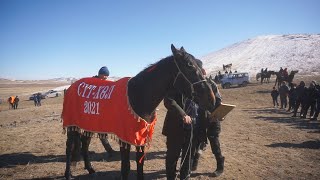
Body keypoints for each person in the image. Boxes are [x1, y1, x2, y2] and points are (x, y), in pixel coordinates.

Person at [162, 59, 206, 180]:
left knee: (188, 158)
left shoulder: (201, 86)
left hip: (194, 128)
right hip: (176, 127)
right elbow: (169, 100)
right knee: (172, 156)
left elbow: (205, 104)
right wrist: (182, 114)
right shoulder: (176, 83)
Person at [192, 78, 225, 177]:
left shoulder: (212, 84)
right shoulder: (193, 84)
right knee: (198, 140)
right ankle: (194, 164)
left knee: (214, 141)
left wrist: (217, 115)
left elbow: (218, 100)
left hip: (213, 117)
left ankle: (220, 166)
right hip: (200, 118)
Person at [94, 66, 115, 157]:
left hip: (100, 113)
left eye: (107, 75)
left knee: (101, 131)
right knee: (89, 133)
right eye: (104, 75)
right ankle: (109, 150)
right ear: (99, 74)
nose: (105, 77)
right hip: (92, 112)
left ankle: (109, 150)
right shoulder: (92, 83)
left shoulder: (105, 83)